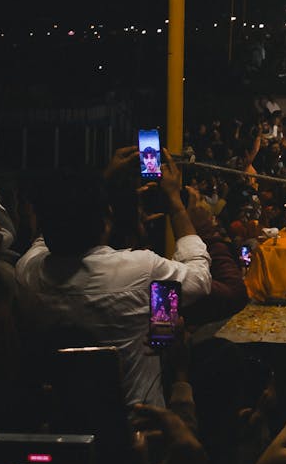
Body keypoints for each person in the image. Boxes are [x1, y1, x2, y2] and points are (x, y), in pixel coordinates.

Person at [15, 149, 212, 406]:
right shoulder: (139, 268)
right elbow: (200, 280)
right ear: (107, 219)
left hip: (62, 417)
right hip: (140, 419)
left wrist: (100, 182)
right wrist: (176, 204)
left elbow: (48, 230)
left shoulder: (27, 271)